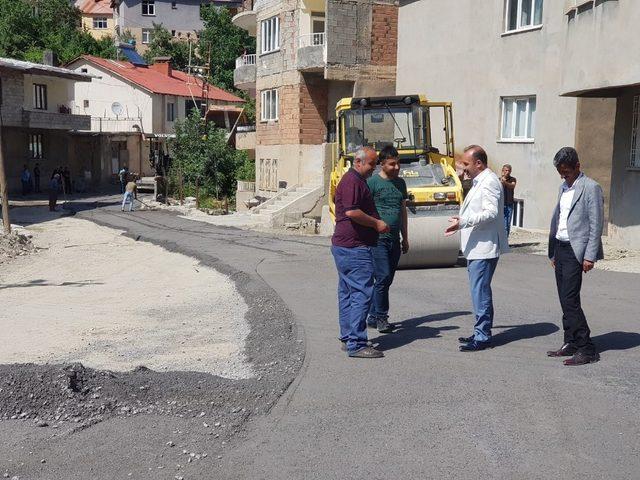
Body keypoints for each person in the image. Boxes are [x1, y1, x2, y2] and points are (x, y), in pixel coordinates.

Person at [445, 145, 509, 351]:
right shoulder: (479, 180)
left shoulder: (489, 182)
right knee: (478, 291)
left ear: (478, 163)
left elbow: (490, 213)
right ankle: (480, 331)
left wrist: (463, 222)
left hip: (484, 246)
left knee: (480, 292)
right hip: (476, 247)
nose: (463, 167)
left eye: (466, 163)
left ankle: (482, 336)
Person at [547, 147, 603, 366]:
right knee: (564, 298)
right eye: (561, 173)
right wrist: (553, 251)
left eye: (567, 172)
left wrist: (589, 256)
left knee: (570, 299)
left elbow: (596, 224)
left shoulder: (591, 187)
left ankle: (586, 348)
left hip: (575, 250)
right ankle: (570, 341)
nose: (563, 176)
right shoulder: (563, 187)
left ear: (578, 167)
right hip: (560, 248)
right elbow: (560, 219)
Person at [332, 146, 389, 358]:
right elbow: (352, 211)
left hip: (347, 246)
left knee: (348, 292)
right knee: (361, 293)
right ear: (358, 162)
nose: (374, 169)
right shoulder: (352, 182)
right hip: (354, 248)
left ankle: (349, 337)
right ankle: (356, 343)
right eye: (372, 164)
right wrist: (377, 223)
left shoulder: (355, 181)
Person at [366, 145, 409, 333]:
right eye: (392, 164)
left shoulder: (401, 184)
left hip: (394, 238)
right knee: (382, 277)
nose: (397, 167)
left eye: (398, 163)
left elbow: (403, 211)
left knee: (387, 279)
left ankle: (372, 315)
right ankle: (382, 317)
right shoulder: (373, 183)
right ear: (382, 164)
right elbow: (364, 210)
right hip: (378, 239)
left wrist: (405, 237)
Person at [500, 164, 517, 236]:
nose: (507, 172)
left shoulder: (512, 179)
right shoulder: (499, 180)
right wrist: (501, 182)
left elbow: (512, 185)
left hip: (509, 204)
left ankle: (505, 241)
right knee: (500, 224)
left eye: (509, 171)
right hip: (501, 205)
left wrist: (505, 183)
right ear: (502, 171)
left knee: (507, 223)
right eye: (506, 170)